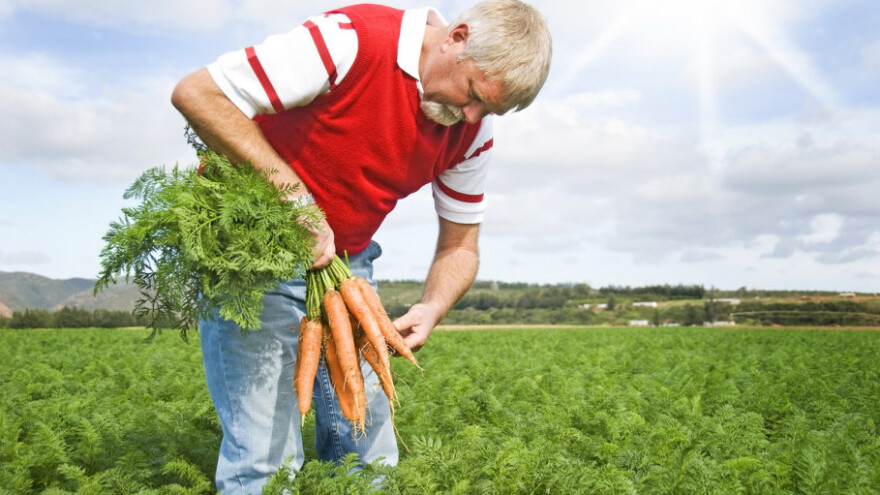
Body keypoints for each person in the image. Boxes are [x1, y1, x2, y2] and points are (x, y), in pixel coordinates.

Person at [171, 0, 551, 492]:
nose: (471, 114)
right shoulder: (352, 40)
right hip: (250, 250)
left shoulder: (473, 129)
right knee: (265, 458)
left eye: (488, 109)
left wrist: (434, 305)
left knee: (369, 452)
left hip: (347, 266)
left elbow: (462, 245)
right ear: (456, 37)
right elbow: (199, 93)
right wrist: (294, 200)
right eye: (474, 93)